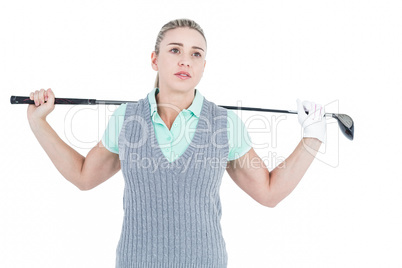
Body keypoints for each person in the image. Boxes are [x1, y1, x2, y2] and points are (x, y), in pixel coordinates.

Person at [27, 18, 326, 268]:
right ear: (155, 59)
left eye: (196, 54)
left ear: (204, 66)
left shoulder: (224, 123)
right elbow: (83, 176)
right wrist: (38, 123)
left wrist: (312, 137)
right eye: (175, 50)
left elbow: (269, 192)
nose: (186, 60)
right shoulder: (127, 118)